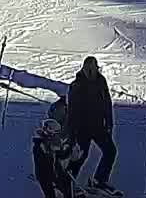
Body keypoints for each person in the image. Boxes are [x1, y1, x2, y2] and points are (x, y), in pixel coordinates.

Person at [66, 56, 119, 193]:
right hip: (82, 128)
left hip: (98, 126)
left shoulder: (101, 81)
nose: (91, 72)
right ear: (83, 68)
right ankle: (66, 181)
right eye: (88, 69)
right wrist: (71, 135)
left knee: (110, 151)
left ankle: (99, 180)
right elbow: (71, 112)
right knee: (81, 155)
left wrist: (109, 122)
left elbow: (107, 102)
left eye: (93, 68)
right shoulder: (76, 85)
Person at [31, 118, 75, 198]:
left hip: (54, 174)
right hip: (45, 176)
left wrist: (68, 150)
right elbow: (44, 160)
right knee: (50, 194)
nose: (56, 137)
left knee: (66, 184)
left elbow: (61, 155)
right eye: (55, 134)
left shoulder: (51, 144)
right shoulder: (40, 145)